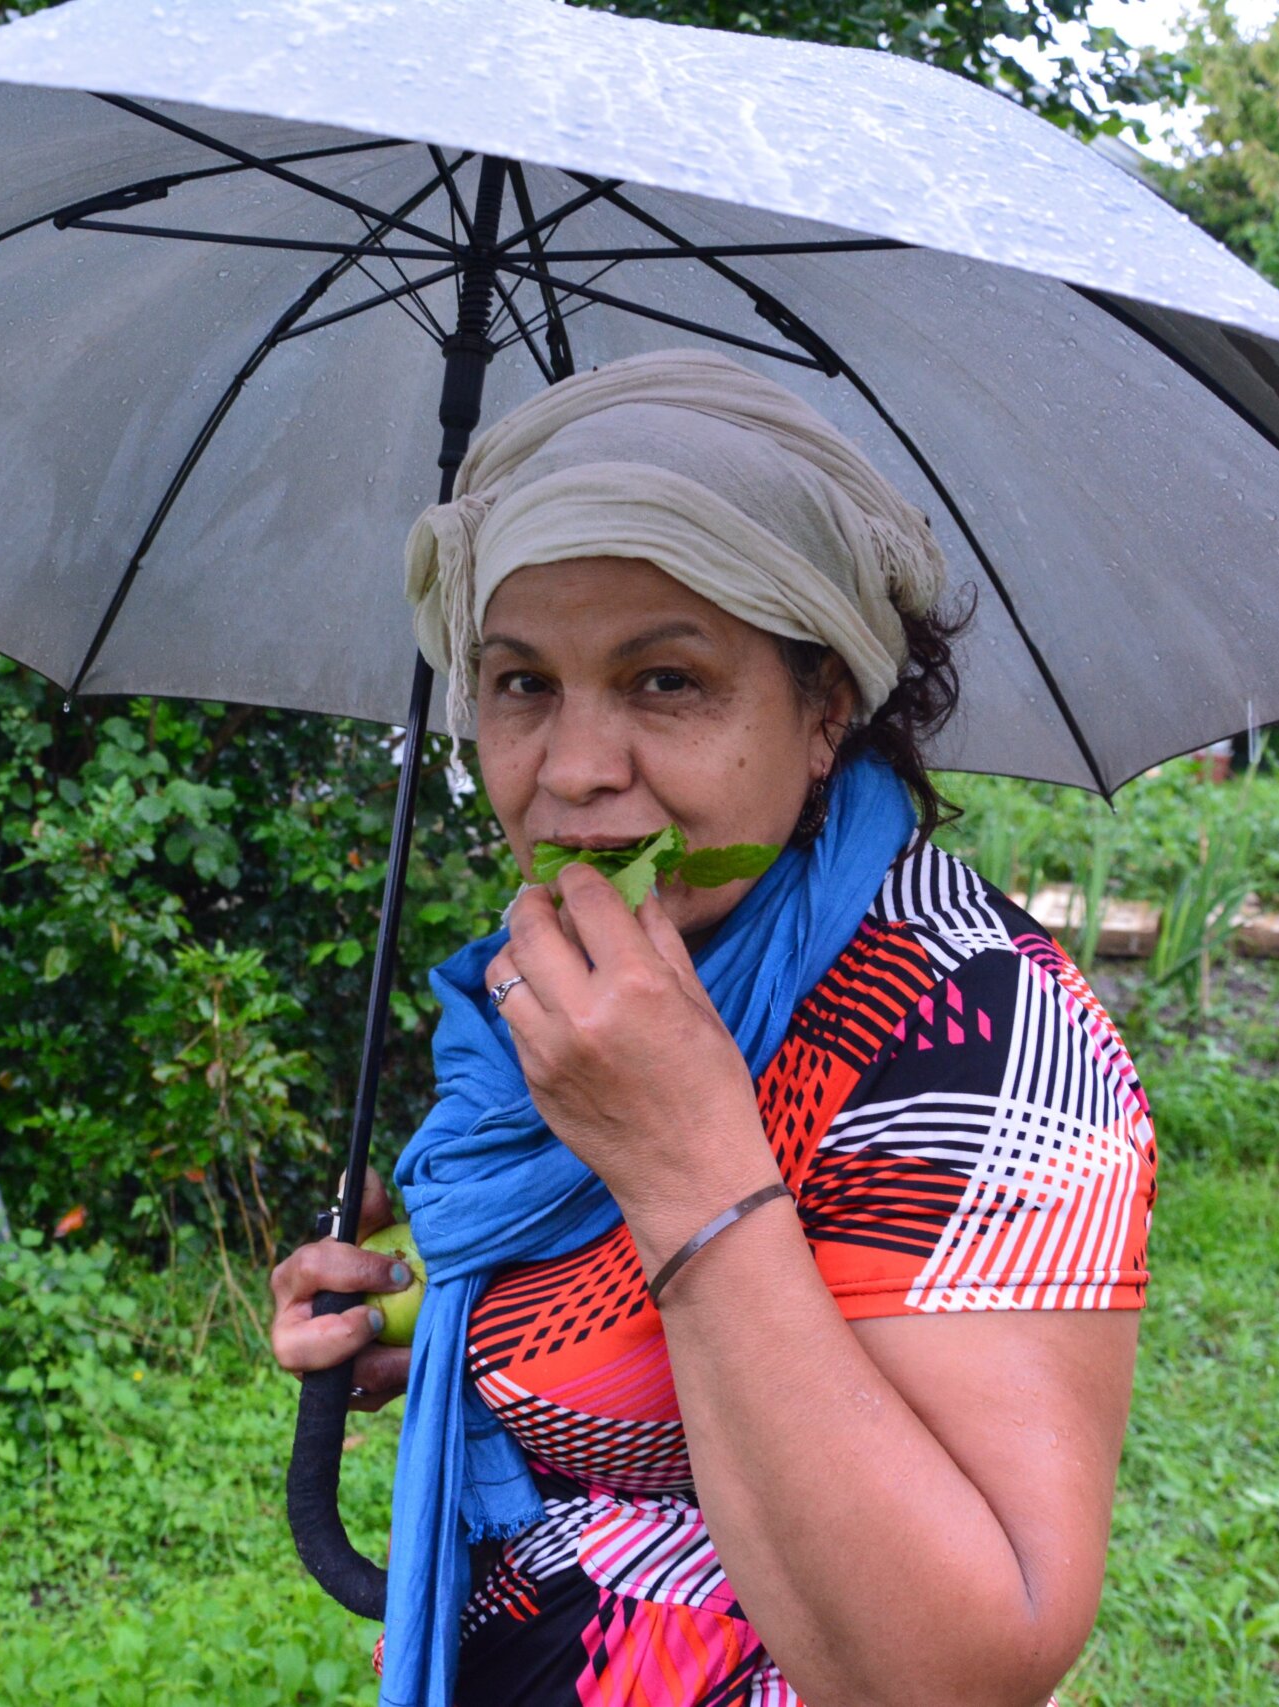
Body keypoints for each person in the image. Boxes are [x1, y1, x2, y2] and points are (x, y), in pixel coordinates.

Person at [267, 348, 1156, 1707]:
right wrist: (440, 1345)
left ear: (825, 707)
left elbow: (967, 1667)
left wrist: (686, 1163)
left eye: (666, 681)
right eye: (519, 684)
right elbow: (630, 1339)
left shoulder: (972, 1031)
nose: (571, 770)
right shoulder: (593, 982)